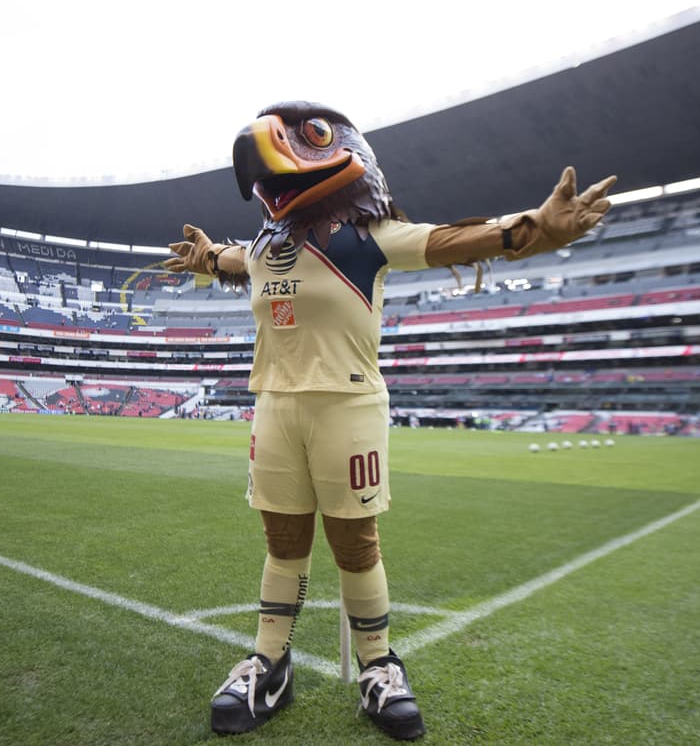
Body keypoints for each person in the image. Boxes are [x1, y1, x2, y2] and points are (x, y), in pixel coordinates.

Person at [167, 102, 615, 740]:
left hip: (348, 405)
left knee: (355, 545)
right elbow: (231, 261)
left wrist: (535, 227)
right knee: (283, 542)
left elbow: (448, 240)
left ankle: (379, 666)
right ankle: (269, 662)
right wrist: (207, 257)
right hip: (274, 404)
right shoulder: (267, 246)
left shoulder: (368, 236)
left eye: (310, 137)